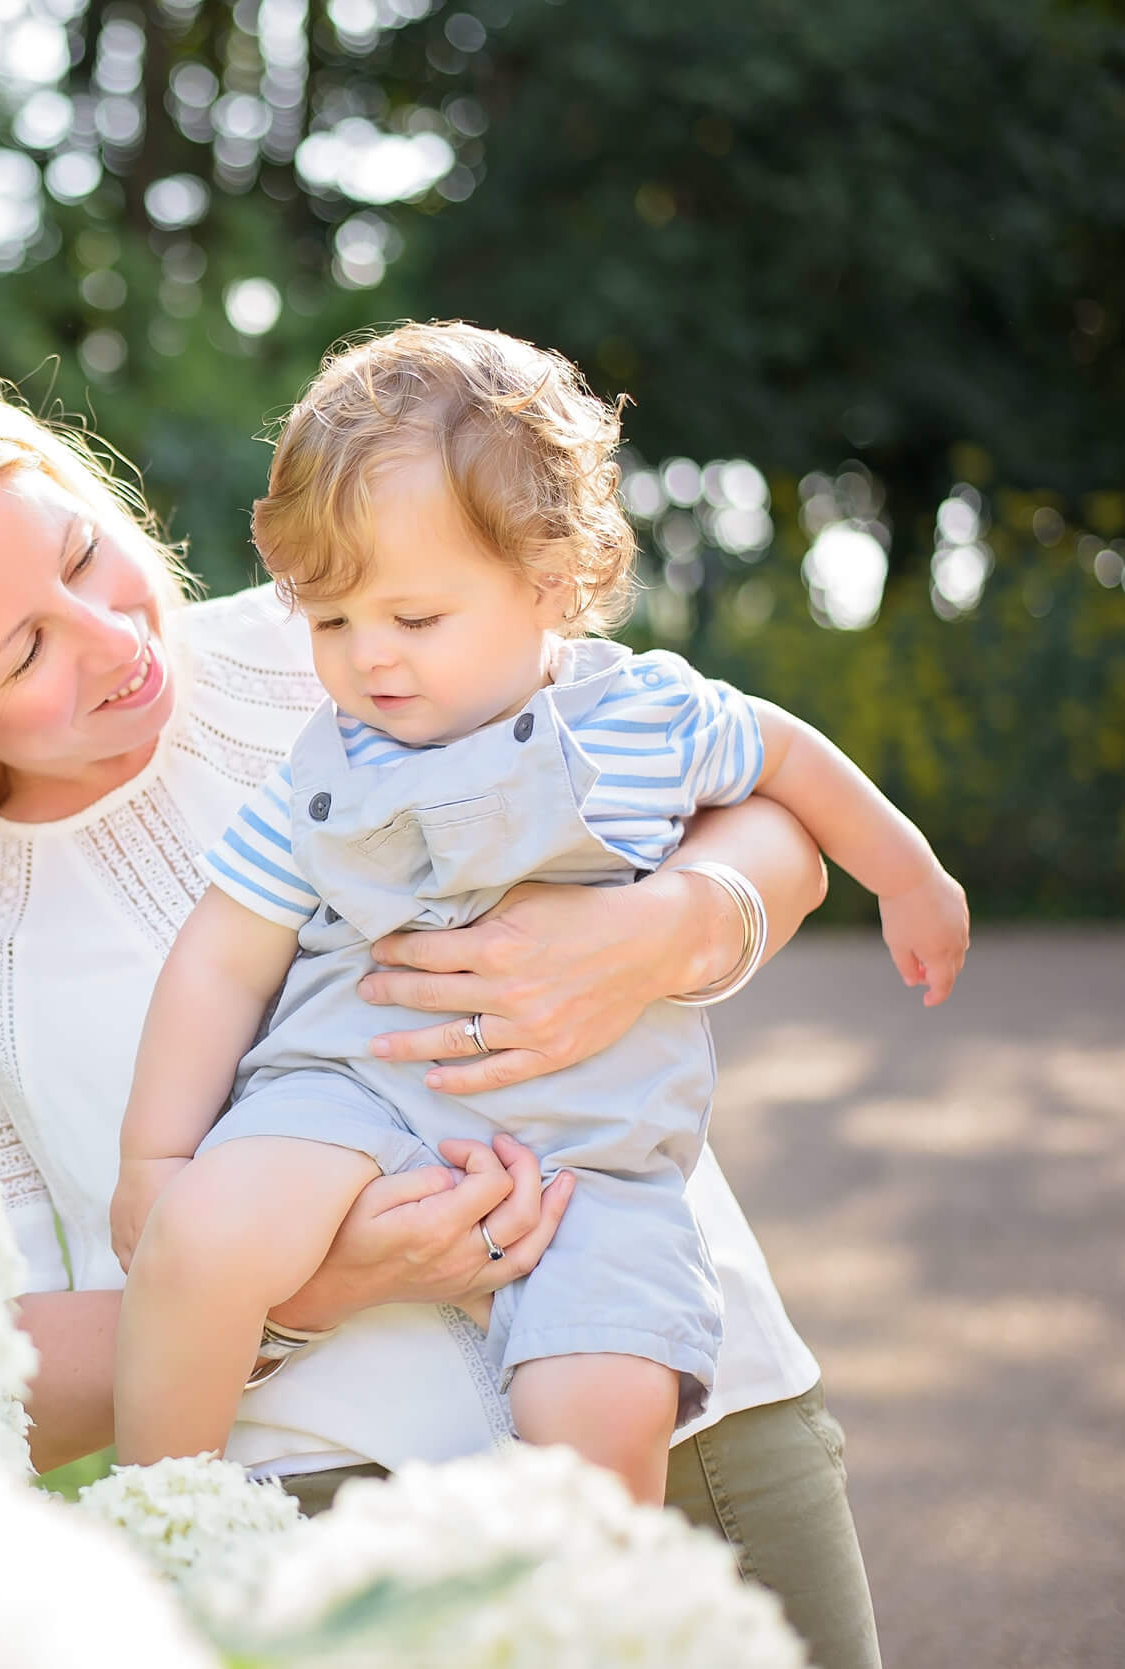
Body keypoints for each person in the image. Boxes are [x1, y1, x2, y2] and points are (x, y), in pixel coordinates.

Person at [0, 374, 882, 1668]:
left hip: (691, 1409)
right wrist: (307, 1289)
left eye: (85, 553)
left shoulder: (350, 630)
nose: (109, 637)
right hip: (325, 1521)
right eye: (23, 650)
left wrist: (677, 924)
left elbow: (763, 800)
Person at [108, 323, 968, 1506]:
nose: (368, 661)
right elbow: (222, 955)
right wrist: (156, 1158)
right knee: (199, 1238)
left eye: (412, 619)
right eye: (329, 621)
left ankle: (575, 1600)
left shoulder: (644, 717)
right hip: (351, 1093)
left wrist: (909, 873)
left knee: (612, 1406)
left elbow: (788, 760)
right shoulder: (322, 770)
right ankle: (166, 1520)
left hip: (591, 1155)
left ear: (546, 585)